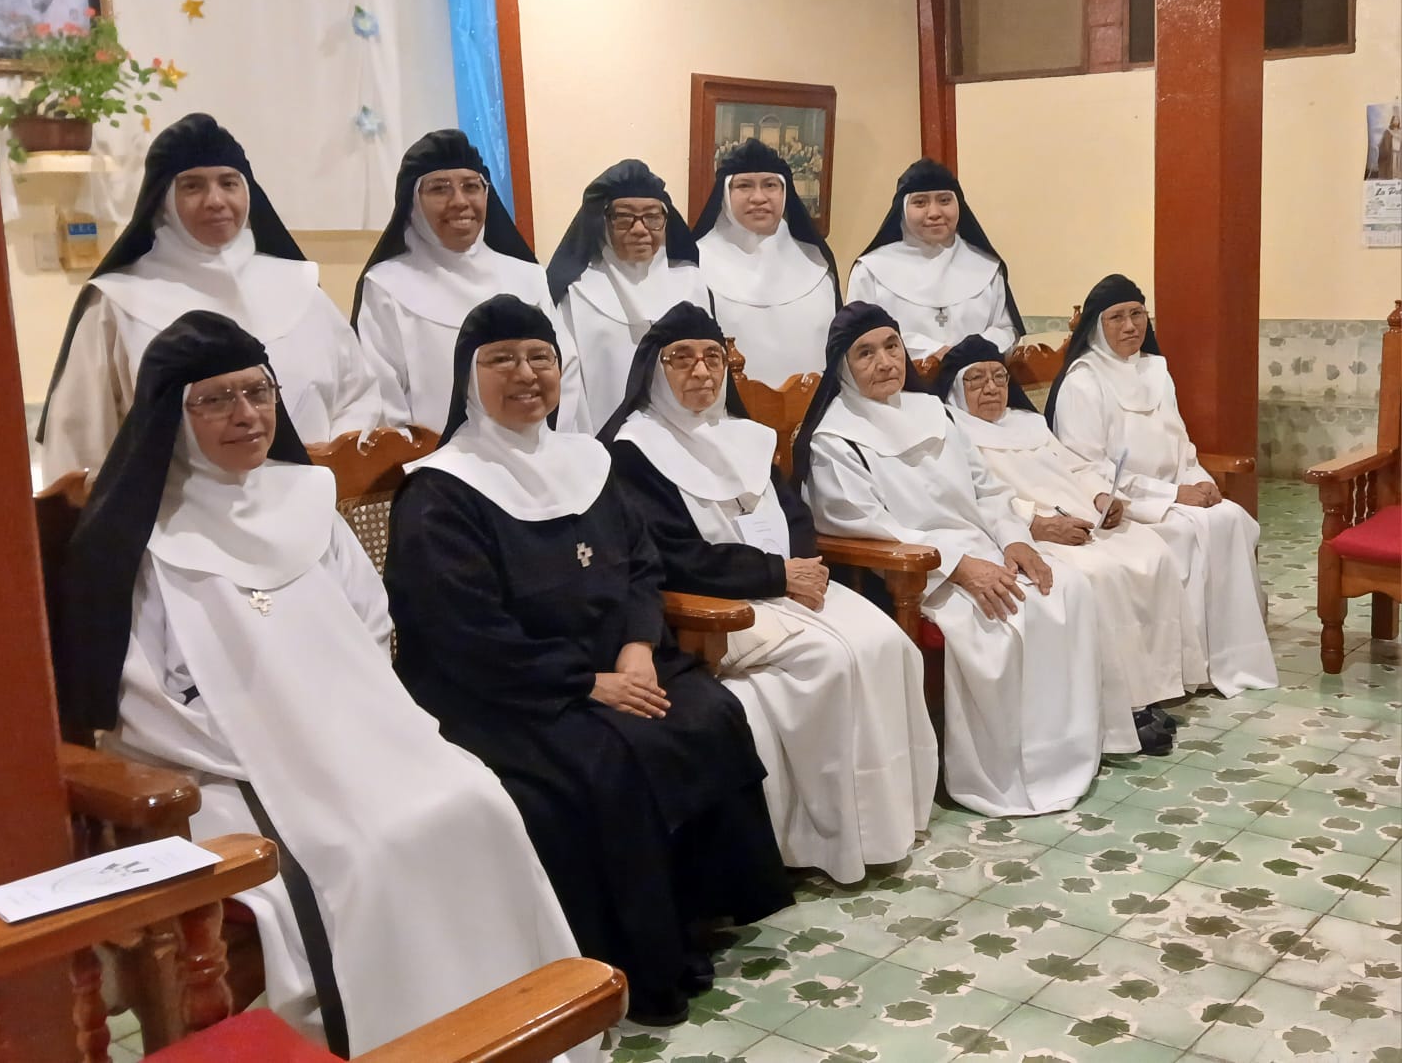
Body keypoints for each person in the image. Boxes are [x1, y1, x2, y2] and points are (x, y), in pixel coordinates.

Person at [50, 311, 589, 1059]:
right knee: (362, 854)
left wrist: (349, 729)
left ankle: (506, 1030)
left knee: (477, 802)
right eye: (215, 400)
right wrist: (280, 749)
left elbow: (370, 628)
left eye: (258, 392)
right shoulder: (138, 541)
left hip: (358, 739)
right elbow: (142, 701)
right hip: (226, 773)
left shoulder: (307, 500)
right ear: (171, 416)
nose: (246, 415)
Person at [383, 295, 792, 1026]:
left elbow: (641, 566)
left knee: (708, 714)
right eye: (502, 360)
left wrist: (637, 647)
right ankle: (638, 958)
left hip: (617, 660)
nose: (525, 374)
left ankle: (700, 913)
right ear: (468, 377)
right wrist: (588, 683)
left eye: (539, 357)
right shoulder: (440, 490)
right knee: (612, 759)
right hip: (506, 690)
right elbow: (461, 630)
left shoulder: (588, 461)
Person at [600, 302, 939, 883]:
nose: (702, 371)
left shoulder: (746, 435)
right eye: (682, 359)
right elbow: (670, 556)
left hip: (788, 587)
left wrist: (801, 565)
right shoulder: (634, 451)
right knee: (829, 662)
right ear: (654, 371)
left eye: (712, 358)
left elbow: (795, 514)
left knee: (889, 643)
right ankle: (827, 840)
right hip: (718, 609)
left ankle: (890, 821)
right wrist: (777, 576)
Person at [793, 302, 1106, 817]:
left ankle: (1061, 755)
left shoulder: (933, 411)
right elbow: (862, 524)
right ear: (843, 368)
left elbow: (986, 490)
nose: (885, 362)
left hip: (982, 550)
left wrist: (1015, 541)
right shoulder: (835, 438)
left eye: (891, 346)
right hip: (915, 575)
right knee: (1002, 621)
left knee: (1068, 590)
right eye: (865, 354)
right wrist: (958, 567)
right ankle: (1003, 773)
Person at [38, 113, 381, 483]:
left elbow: (358, 396)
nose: (215, 200)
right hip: (175, 513)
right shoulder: (118, 303)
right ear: (162, 200)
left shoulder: (300, 289)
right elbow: (80, 440)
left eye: (228, 183)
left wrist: (327, 470)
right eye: (192, 186)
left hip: (308, 499)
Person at [935, 335, 1209, 754]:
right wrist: (1039, 525)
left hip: (1079, 519)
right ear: (956, 388)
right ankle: (1119, 709)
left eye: (999, 377)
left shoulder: (1027, 423)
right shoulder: (952, 430)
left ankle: (1152, 689)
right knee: (1100, 575)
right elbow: (978, 498)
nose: (991, 388)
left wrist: (1101, 496)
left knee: (1151, 553)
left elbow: (1074, 466)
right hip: (1026, 534)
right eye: (976, 380)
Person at [1046, 275, 1279, 697]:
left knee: (1229, 519)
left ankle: (1228, 660)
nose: (1130, 326)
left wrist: (1199, 480)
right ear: (1097, 326)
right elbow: (1086, 466)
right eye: (1117, 317)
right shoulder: (1083, 380)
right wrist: (1172, 496)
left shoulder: (1157, 370)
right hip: (1123, 505)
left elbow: (1180, 444)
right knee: (1188, 534)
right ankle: (1188, 668)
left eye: (1137, 314)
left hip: (1173, 493)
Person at [353, 129, 588, 432]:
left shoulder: (527, 277)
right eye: (440, 189)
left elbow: (564, 371)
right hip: (433, 458)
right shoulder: (387, 285)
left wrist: (543, 442)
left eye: (471, 186)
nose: (459, 201)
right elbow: (381, 397)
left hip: (533, 451)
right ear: (413, 202)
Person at [546, 159, 709, 430]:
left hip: (681, 437)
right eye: (623, 218)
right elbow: (569, 388)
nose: (639, 229)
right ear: (602, 222)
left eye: (652, 217)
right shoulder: (576, 291)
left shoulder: (691, 282)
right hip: (602, 439)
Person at [690, 139, 841, 385]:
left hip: (813, 404)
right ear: (725, 194)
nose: (758, 197)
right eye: (744, 185)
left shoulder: (816, 259)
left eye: (770, 185)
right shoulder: (696, 262)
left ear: (785, 192)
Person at [847, 159, 1024, 362]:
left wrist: (969, 352)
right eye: (920, 202)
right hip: (902, 381)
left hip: (979, 377)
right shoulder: (870, 271)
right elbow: (860, 339)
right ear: (902, 209)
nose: (934, 213)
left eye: (944, 200)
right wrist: (933, 352)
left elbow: (1007, 331)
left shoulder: (987, 267)